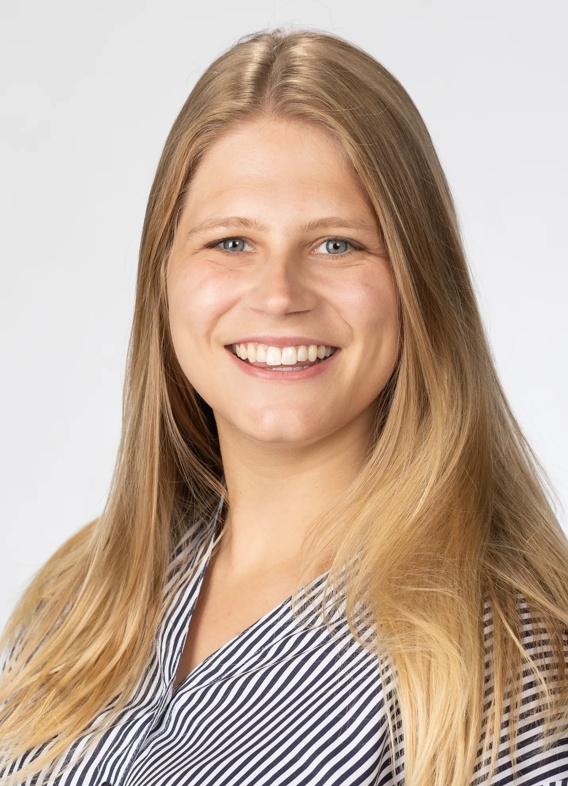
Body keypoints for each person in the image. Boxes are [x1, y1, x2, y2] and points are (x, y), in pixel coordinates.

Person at [1, 28, 567, 786]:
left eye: (337, 245)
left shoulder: (508, 656)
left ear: (418, 282)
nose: (279, 295)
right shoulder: (77, 598)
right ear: (163, 278)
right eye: (232, 242)